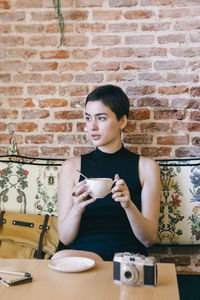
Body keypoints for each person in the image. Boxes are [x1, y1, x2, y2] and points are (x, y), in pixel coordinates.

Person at [52, 85, 161, 262]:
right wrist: (77, 208)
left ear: (122, 121)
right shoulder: (72, 167)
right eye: (88, 119)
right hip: (83, 259)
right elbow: (65, 238)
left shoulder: (147, 167)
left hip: (127, 260)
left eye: (101, 118)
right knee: (60, 257)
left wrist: (128, 205)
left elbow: (148, 240)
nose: (92, 127)